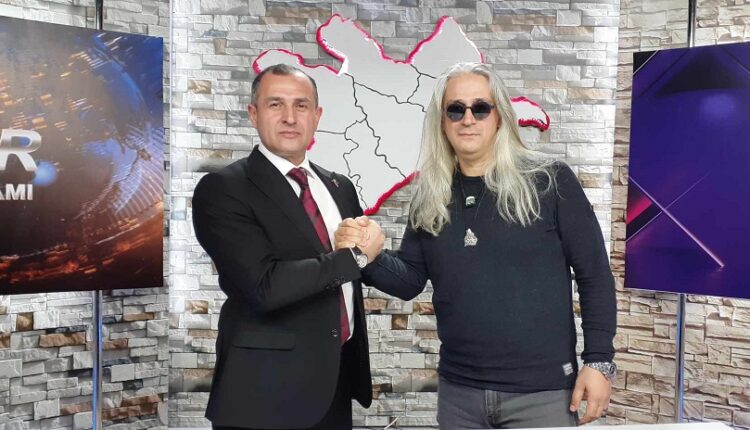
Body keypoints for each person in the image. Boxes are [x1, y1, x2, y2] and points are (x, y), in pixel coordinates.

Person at [335, 62, 617, 429]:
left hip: (541, 393)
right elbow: (409, 280)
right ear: (442, 122)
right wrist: (366, 256)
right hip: (460, 395)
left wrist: (598, 361)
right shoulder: (430, 195)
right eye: (455, 109)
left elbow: (595, 275)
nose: (467, 119)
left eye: (480, 108)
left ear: (499, 118)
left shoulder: (550, 180)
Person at [192, 64, 373, 430]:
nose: (290, 117)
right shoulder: (223, 189)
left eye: (301, 105)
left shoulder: (339, 186)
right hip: (263, 393)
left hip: (334, 384)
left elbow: (365, 265)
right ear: (253, 113)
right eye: (276, 104)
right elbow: (265, 285)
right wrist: (357, 256)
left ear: (317, 116)